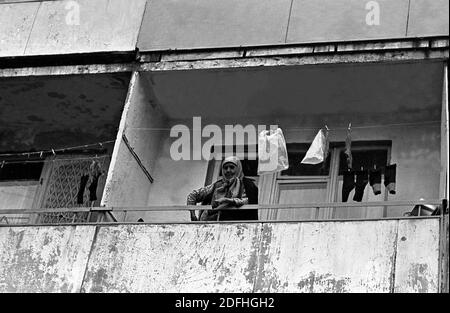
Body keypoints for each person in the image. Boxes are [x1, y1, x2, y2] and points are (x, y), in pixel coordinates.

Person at [187, 156, 258, 221]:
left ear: (238, 168)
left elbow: (248, 202)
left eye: (232, 167)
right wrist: (193, 215)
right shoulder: (218, 185)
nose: (228, 170)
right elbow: (193, 195)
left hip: (237, 227)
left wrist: (228, 201)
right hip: (212, 226)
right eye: (225, 168)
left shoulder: (247, 185)